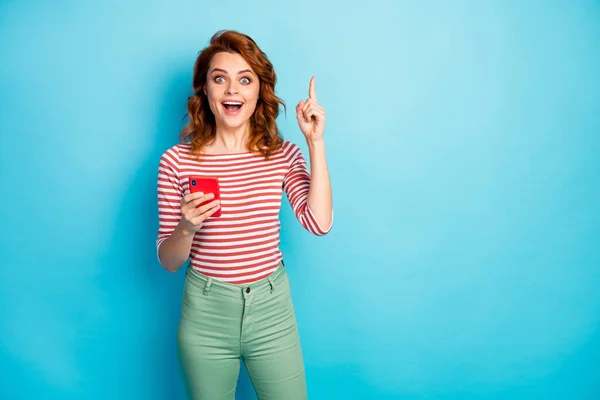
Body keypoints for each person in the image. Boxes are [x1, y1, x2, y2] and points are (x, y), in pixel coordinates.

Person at [155, 30, 333, 399]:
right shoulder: (176, 161)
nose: (232, 89)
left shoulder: (282, 155)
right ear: (205, 90)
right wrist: (186, 227)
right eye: (220, 78)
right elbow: (169, 261)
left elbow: (319, 223)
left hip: (272, 311)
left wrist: (315, 142)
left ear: (258, 91)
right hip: (205, 314)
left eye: (245, 79)